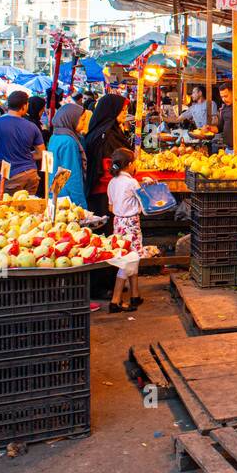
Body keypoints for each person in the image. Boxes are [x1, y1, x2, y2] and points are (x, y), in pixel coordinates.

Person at [106, 147, 145, 312]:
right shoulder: (131, 182)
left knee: (130, 257)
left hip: (118, 223)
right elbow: (144, 203)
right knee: (128, 260)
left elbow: (110, 207)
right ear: (129, 165)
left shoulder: (112, 182)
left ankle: (135, 295)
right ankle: (115, 300)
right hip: (131, 223)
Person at [0, 90, 46, 194]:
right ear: (24, 106)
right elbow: (41, 153)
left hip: (11, 175)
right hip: (31, 174)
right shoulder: (32, 126)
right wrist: (24, 155)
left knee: (6, 208)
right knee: (29, 208)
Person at [83, 93, 130, 218]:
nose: (125, 113)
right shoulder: (107, 135)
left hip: (106, 190)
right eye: (122, 110)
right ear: (112, 111)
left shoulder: (109, 130)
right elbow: (109, 166)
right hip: (105, 192)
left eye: (126, 110)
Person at [47, 102, 88, 209]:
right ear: (72, 119)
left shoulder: (55, 136)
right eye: (82, 119)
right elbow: (72, 175)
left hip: (55, 194)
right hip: (67, 199)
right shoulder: (68, 142)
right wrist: (81, 205)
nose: (84, 123)